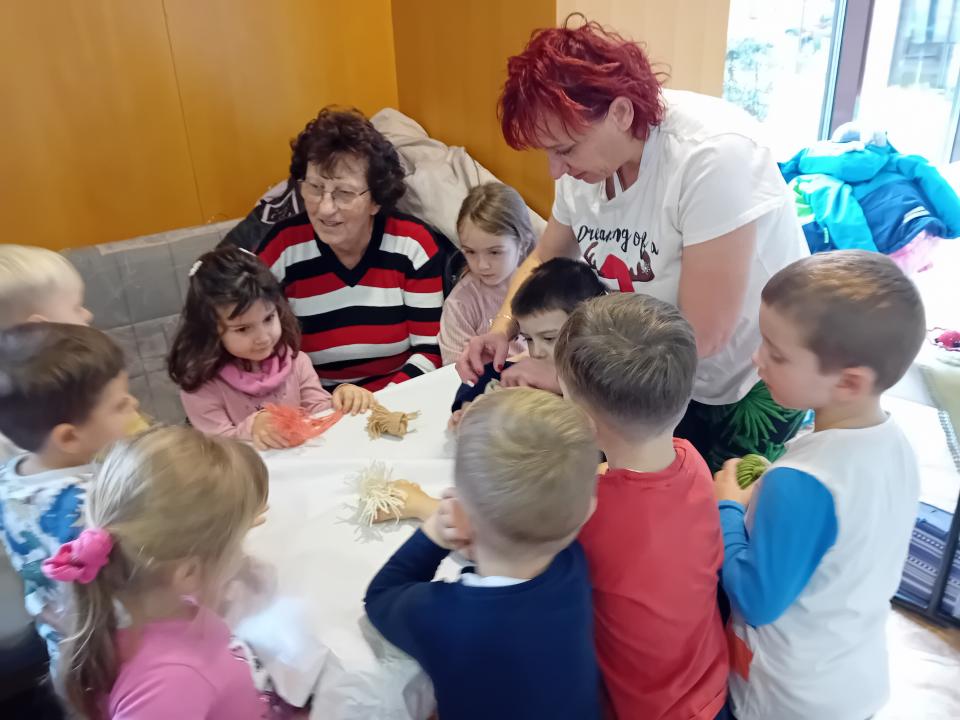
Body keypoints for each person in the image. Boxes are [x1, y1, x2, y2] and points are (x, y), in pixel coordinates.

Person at [457, 18, 810, 471]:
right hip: (649, 370)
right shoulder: (587, 165)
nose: (555, 170)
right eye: (547, 152)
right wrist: (501, 328)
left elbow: (703, 334)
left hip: (746, 378)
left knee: (711, 502)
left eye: (565, 149)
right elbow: (545, 256)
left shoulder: (712, 155)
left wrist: (570, 376)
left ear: (621, 113)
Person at [713, 251, 926, 720]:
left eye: (777, 353)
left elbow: (756, 599)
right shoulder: (895, 442)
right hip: (852, 679)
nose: (757, 358)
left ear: (849, 383)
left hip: (784, 697)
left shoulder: (800, 481)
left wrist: (727, 508)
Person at [364, 389, 601, 720]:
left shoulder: (444, 616)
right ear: (587, 511)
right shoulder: (574, 563)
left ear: (460, 508)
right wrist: (480, 537)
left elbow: (380, 596)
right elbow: (523, 543)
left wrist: (434, 534)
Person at [554, 293, 728, 719]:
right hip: (713, 691)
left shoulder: (585, 514)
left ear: (584, 424)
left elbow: (504, 531)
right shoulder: (691, 459)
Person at [46, 427, 275, 720]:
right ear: (188, 573)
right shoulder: (170, 682)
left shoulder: (154, 603)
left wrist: (224, 531)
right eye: (237, 544)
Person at [251, 107, 452, 391]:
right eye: (315, 188)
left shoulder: (413, 245)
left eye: (344, 193)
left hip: (399, 394)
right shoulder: (282, 248)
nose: (325, 208)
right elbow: (259, 353)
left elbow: (430, 351)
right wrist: (320, 404)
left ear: (376, 200)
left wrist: (381, 402)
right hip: (312, 399)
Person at [0, 323, 139, 660]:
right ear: (69, 437)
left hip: (61, 644)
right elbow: (136, 579)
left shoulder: (10, 477)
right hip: (114, 652)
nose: (134, 404)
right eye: (120, 405)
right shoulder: (89, 505)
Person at [168, 246, 373, 450]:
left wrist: (343, 398)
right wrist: (252, 428)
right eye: (243, 329)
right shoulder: (202, 387)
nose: (263, 338)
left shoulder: (296, 362)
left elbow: (317, 413)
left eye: (268, 318)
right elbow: (217, 450)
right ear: (210, 329)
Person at [449, 257, 606, 427]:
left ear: (588, 328)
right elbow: (484, 376)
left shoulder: (603, 383)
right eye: (528, 339)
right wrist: (468, 406)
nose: (536, 352)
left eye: (549, 338)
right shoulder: (528, 372)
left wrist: (563, 383)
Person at [438, 182, 534, 364]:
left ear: (523, 244)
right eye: (470, 252)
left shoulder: (548, 287)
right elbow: (455, 370)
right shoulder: (459, 305)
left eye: (495, 252)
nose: (482, 265)